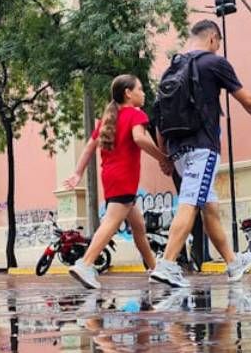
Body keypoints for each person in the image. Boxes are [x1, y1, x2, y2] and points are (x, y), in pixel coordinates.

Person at [150, 20, 251, 289]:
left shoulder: (171, 68)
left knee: (209, 207)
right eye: (218, 44)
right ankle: (168, 264)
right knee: (190, 203)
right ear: (213, 39)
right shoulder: (214, 63)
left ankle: (232, 262)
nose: (218, 48)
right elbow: (247, 99)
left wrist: (164, 155)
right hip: (202, 148)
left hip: (177, 150)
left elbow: (158, 117)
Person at [63, 75, 170, 290]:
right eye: (140, 89)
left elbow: (88, 147)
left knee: (138, 227)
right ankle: (85, 264)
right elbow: (140, 138)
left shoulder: (108, 119)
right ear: (128, 93)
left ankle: (155, 269)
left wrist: (77, 173)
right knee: (111, 222)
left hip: (111, 176)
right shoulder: (135, 114)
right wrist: (162, 158)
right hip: (124, 178)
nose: (144, 92)